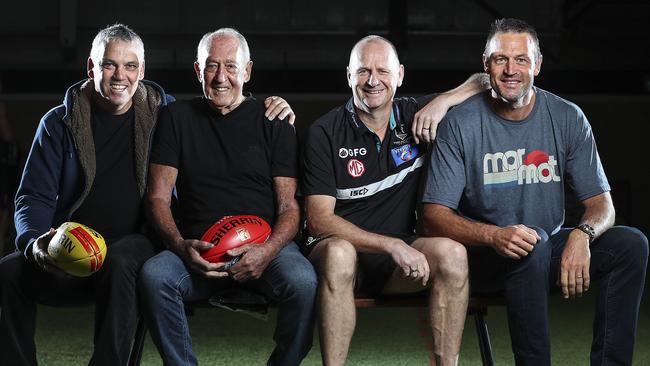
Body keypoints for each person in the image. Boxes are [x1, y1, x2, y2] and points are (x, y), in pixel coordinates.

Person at [0, 24, 296, 366]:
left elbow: (219, 111)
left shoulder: (163, 113)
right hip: (71, 244)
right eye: (109, 64)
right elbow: (31, 197)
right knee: (9, 271)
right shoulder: (58, 123)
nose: (119, 76)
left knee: (120, 260)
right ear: (91, 67)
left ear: (142, 71)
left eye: (129, 66)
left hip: (136, 240)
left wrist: (274, 104)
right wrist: (36, 243)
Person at [422, 18, 648, 366]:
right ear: (486, 65)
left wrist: (581, 237)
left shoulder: (567, 116)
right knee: (535, 242)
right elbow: (434, 216)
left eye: (521, 60)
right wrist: (494, 235)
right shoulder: (461, 123)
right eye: (500, 60)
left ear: (537, 65)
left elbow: (602, 205)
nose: (511, 70)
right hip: (484, 256)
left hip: (547, 246)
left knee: (630, 244)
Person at [300, 35, 489, 366]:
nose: (373, 81)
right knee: (340, 254)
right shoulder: (324, 132)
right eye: (363, 72)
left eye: (382, 71)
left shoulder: (415, 115)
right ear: (348, 76)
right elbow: (319, 219)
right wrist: (391, 245)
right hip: (337, 254)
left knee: (453, 254)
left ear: (399, 75)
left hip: (396, 261)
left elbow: (485, 81)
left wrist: (443, 101)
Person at [138, 28, 316, 366]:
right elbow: (157, 198)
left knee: (303, 282)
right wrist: (180, 246)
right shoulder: (175, 118)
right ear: (197, 70)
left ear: (247, 71)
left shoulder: (274, 120)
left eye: (231, 67)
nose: (221, 77)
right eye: (211, 66)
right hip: (198, 250)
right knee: (155, 275)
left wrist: (267, 251)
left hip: (265, 247)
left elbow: (290, 206)